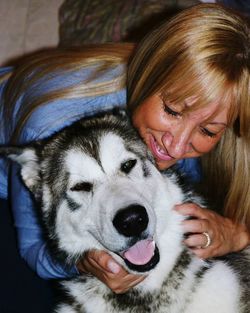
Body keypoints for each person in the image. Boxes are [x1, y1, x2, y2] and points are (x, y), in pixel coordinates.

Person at [0, 3, 250, 301]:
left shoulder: (210, 120)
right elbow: (33, 248)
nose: (177, 146)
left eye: (208, 130)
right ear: (148, 76)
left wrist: (239, 233)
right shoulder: (50, 123)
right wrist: (85, 263)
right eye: (171, 110)